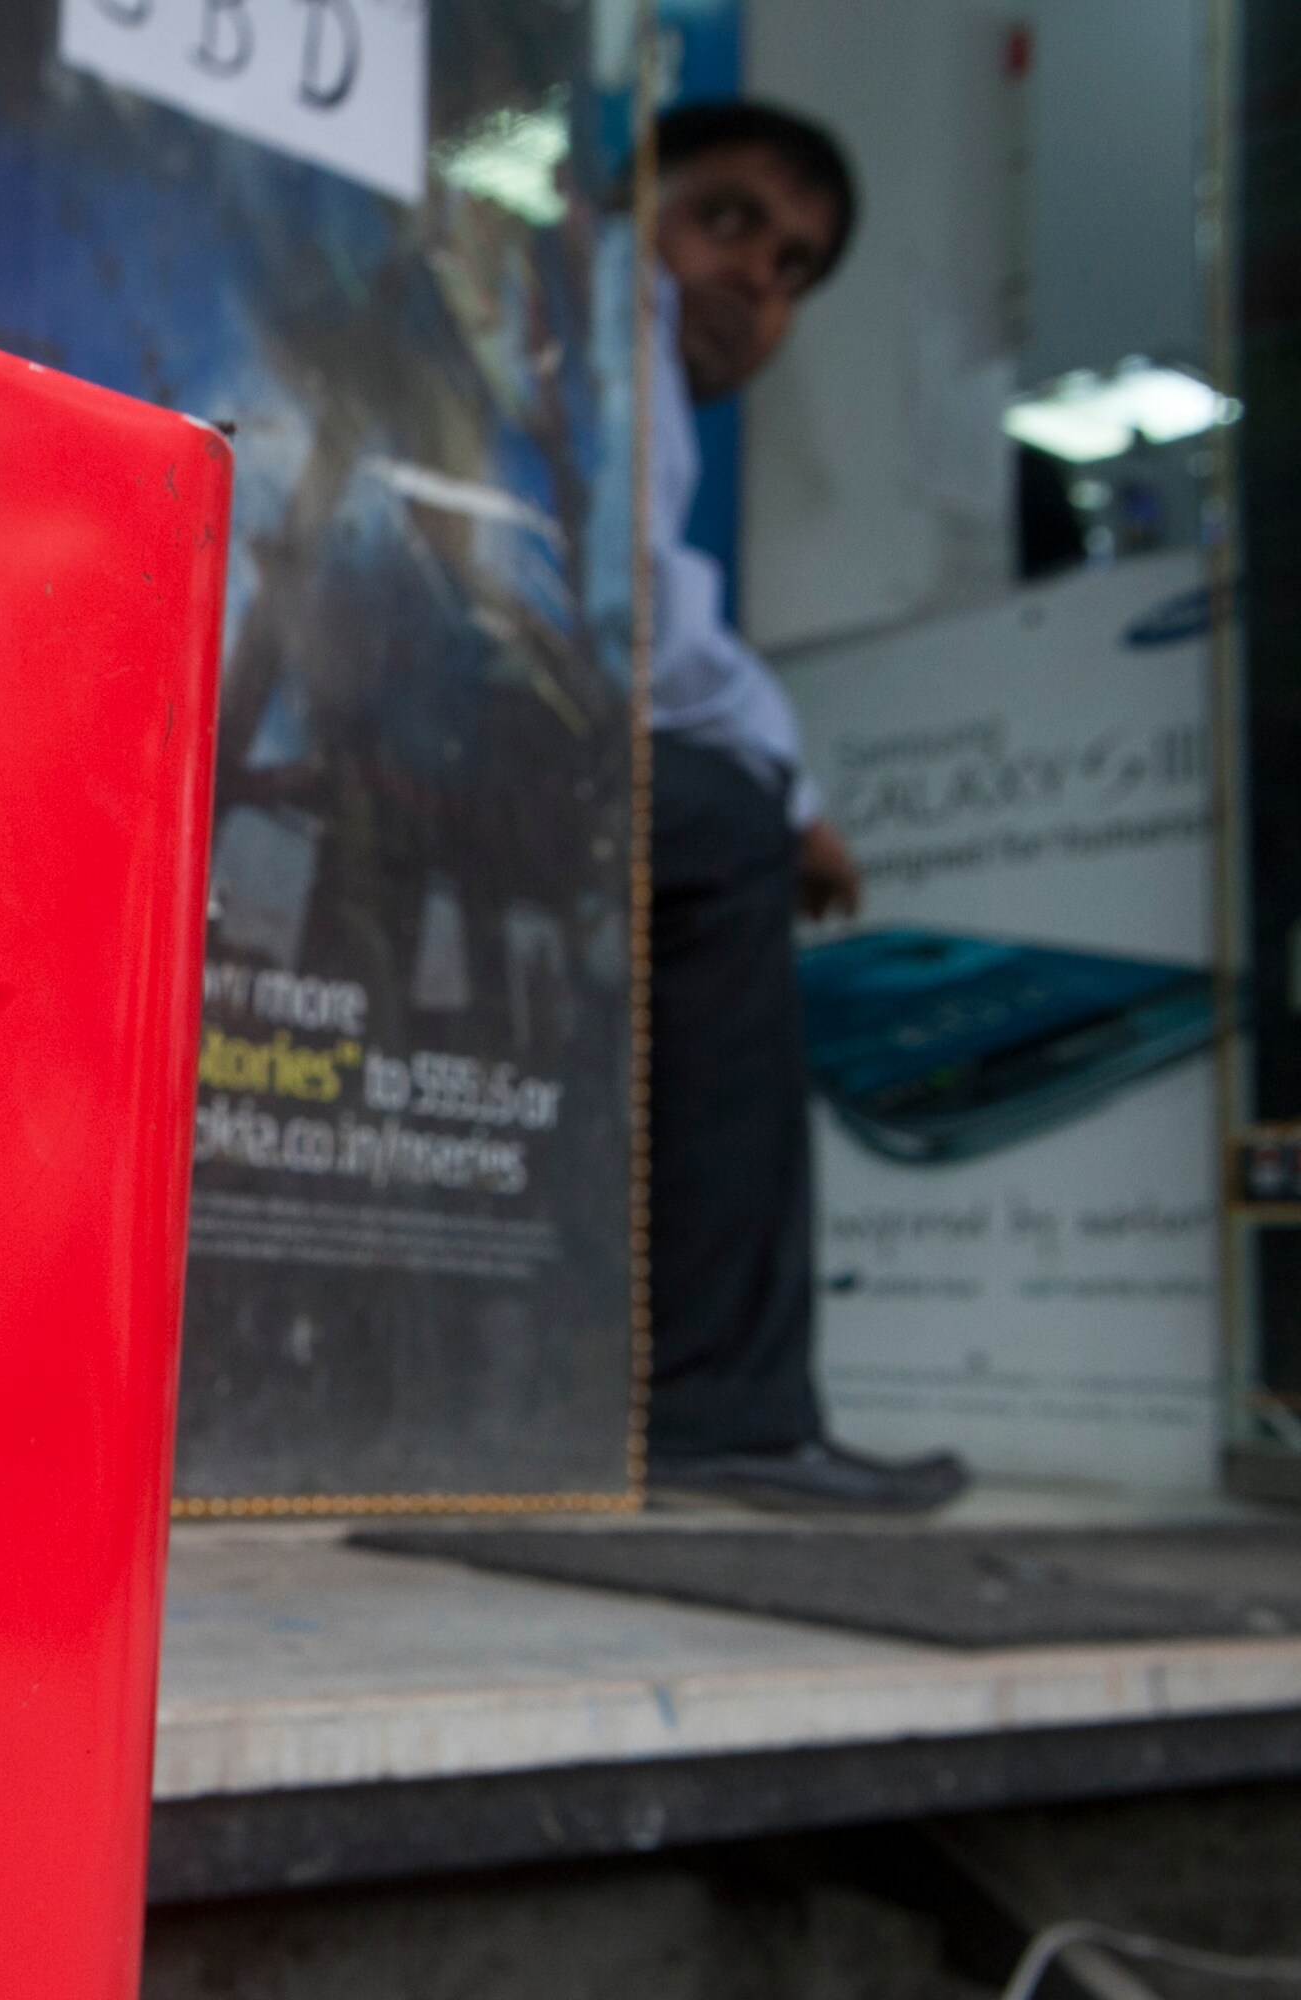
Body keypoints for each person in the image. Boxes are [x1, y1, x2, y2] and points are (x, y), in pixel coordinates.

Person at [641, 101, 967, 1512]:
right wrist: (795, 796)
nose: (754, 282)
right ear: (633, 203)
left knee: (718, 818)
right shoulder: (602, 317)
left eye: (791, 272)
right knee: (726, 825)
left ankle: (707, 1389)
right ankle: (721, 1403)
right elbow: (643, 626)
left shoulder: (620, 360)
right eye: (724, 220)